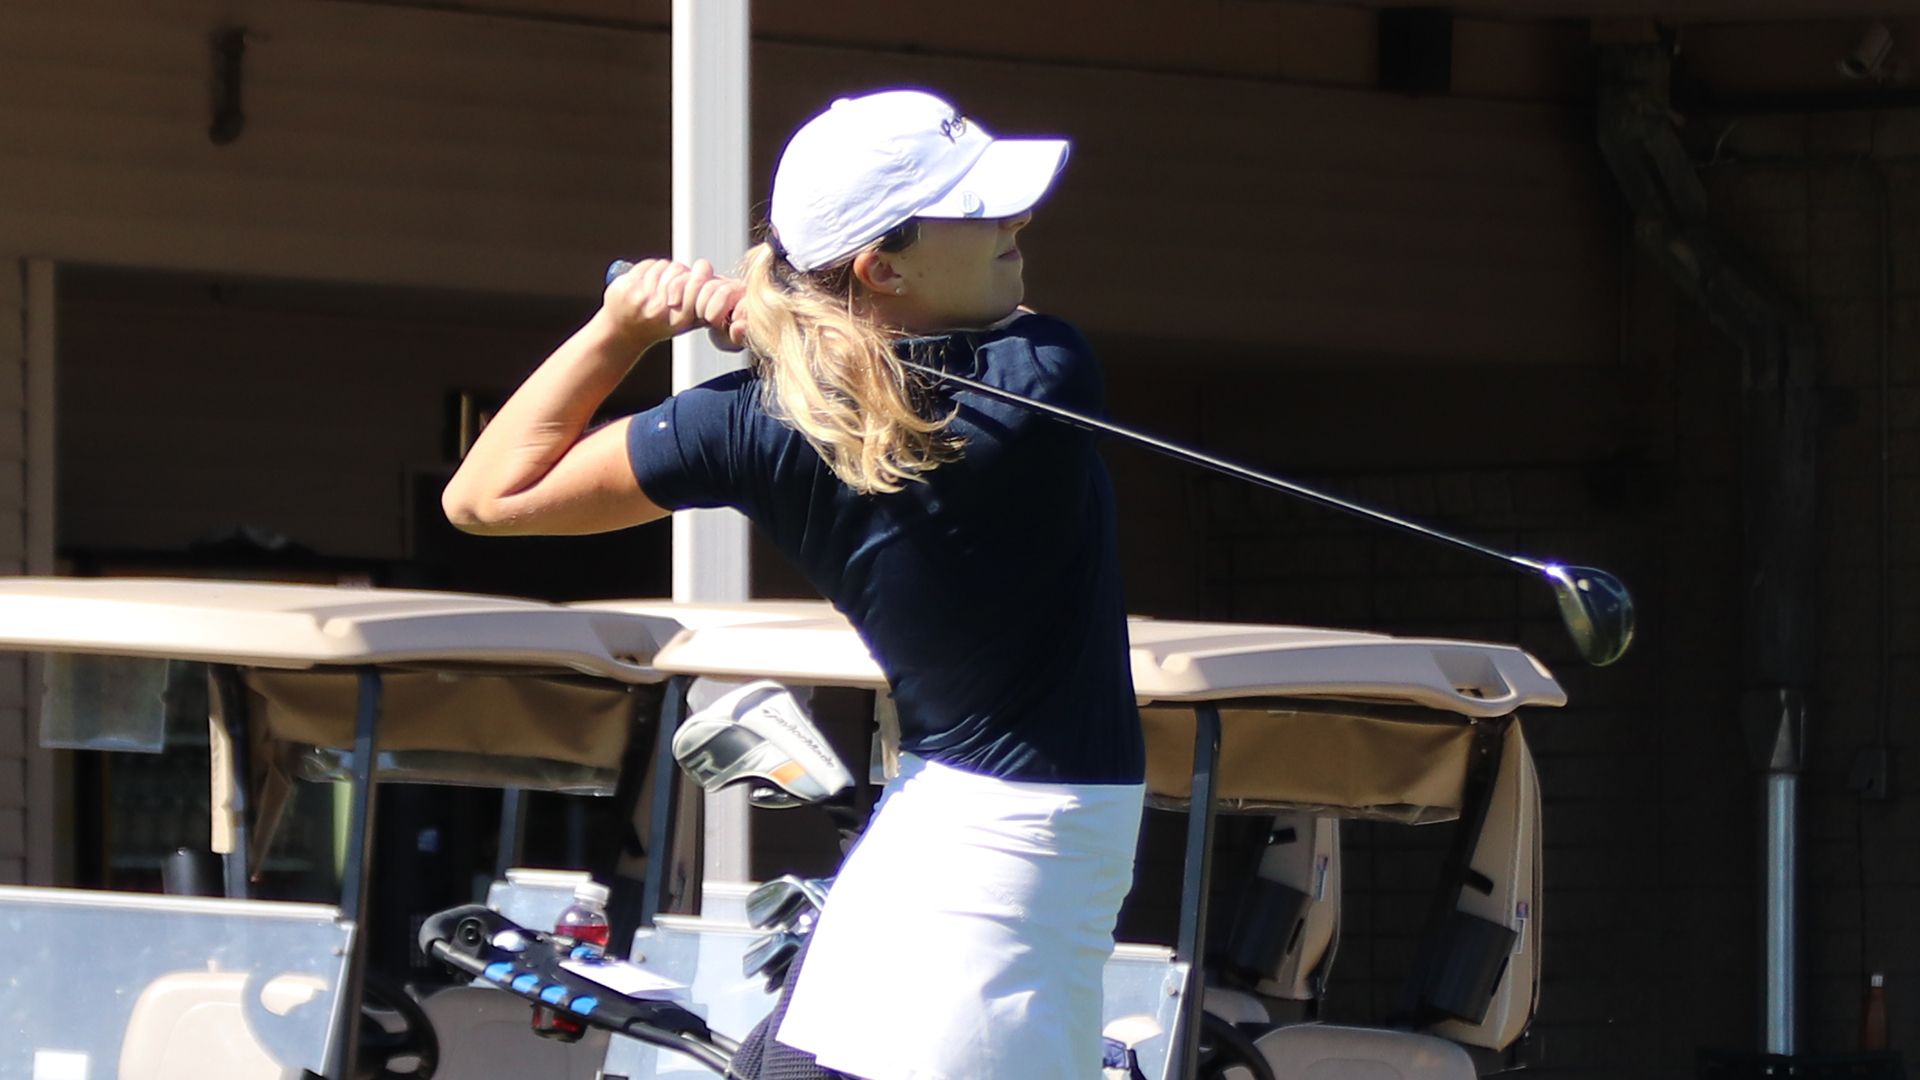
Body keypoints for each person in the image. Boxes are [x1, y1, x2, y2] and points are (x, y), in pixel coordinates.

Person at [442, 89, 1147, 1080]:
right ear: (881, 266)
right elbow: (481, 502)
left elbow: (486, 496)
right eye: (979, 211)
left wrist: (620, 331)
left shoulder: (742, 422)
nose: (1016, 223)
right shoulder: (1046, 370)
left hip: (946, 838)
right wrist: (785, 324)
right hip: (1016, 856)